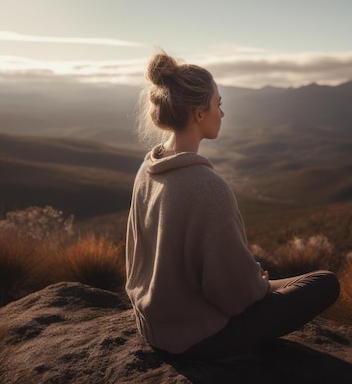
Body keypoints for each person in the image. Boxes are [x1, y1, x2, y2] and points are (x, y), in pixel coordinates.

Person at [125, 50, 340, 359]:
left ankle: (261, 280)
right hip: (198, 338)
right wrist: (254, 287)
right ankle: (261, 283)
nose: (222, 113)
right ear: (199, 114)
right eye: (218, 104)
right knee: (325, 283)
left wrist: (254, 281)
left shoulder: (147, 169)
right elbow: (234, 297)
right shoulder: (208, 188)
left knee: (267, 281)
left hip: (153, 325)